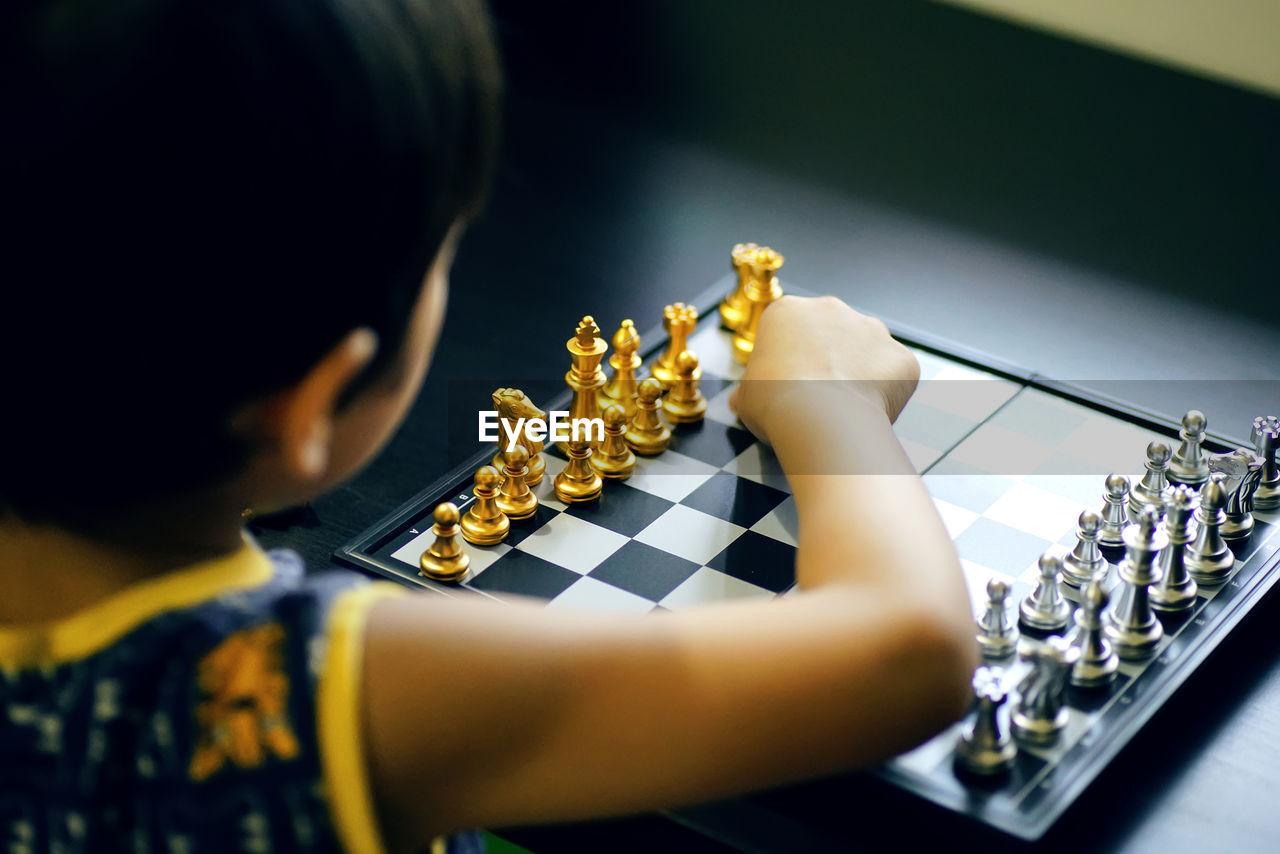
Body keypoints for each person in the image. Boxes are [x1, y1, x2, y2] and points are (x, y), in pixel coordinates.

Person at [0, 1, 976, 851]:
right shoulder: (329, 695)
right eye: (442, 256)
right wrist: (830, 407)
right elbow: (908, 653)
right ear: (307, 408)